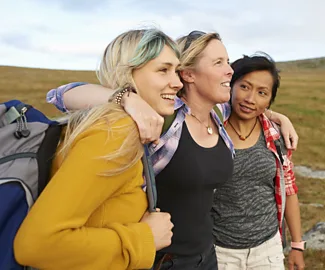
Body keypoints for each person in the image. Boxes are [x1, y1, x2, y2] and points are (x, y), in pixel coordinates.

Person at [45, 31, 299, 270]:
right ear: (188, 74)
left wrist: (279, 117)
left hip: (207, 255)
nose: (230, 70)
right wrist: (128, 99)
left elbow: (250, 106)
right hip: (163, 259)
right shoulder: (162, 116)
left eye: (228, 61)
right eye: (219, 62)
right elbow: (61, 95)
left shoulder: (217, 114)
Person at [13, 28, 179, 270]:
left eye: (176, 70)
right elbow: (37, 244)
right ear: (127, 73)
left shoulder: (119, 124)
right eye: (163, 70)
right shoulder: (114, 133)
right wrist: (145, 238)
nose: (177, 82)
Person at [212, 53, 305, 270]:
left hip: (268, 251)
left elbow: (289, 190)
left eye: (262, 92)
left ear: (270, 99)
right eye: (244, 86)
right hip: (219, 252)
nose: (250, 99)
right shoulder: (209, 130)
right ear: (231, 85)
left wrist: (297, 245)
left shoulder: (276, 136)